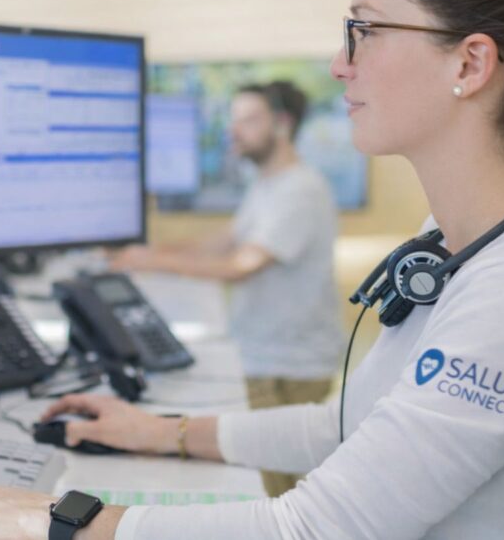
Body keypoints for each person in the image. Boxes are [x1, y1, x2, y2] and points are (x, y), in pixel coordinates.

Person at [0, 0, 504, 539]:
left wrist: (38, 518)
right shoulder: (452, 240)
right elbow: (341, 426)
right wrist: (160, 431)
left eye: (363, 29)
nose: (339, 64)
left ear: (469, 64)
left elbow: (312, 527)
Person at [112, 79, 343, 497]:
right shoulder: (269, 182)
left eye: (249, 120)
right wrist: (150, 253)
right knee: (267, 480)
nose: (234, 130)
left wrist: (156, 262)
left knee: (272, 489)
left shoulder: (299, 191)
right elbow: (225, 241)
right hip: (265, 353)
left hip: (288, 366)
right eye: (234, 119)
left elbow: (241, 265)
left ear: (283, 124)